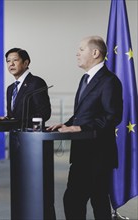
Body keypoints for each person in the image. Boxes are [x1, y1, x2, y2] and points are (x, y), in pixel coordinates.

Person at [47, 36, 123, 219]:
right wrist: (68, 124)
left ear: (95, 53)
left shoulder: (109, 81)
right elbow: (84, 113)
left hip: (97, 153)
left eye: (81, 49)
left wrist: (80, 128)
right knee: (99, 200)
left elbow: (112, 117)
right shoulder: (85, 79)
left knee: (73, 199)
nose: (77, 53)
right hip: (83, 151)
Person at [0, 48, 51, 129]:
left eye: (15, 60)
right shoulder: (10, 88)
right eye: (8, 61)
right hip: (14, 137)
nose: (11, 64)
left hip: (31, 137)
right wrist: (7, 119)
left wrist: (17, 121)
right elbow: (13, 115)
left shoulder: (36, 83)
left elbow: (44, 114)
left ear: (26, 63)